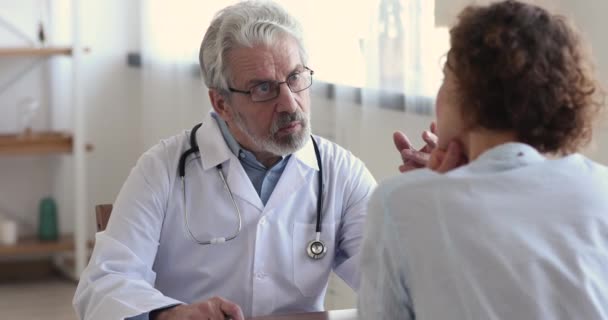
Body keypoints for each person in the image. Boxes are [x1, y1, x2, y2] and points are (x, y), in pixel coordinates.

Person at [73, 1, 376, 319]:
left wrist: (424, 196)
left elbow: (400, 283)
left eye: (295, 77)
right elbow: (103, 285)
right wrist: (172, 315)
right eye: (263, 88)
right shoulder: (162, 169)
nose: (289, 103)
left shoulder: (340, 172)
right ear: (222, 103)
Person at [358, 1, 608, 319]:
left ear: (465, 95)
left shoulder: (398, 204)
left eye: (445, 78)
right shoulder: (602, 186)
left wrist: (431, 194)